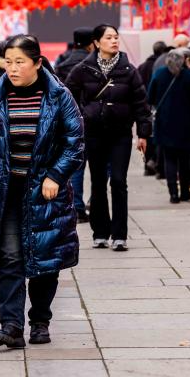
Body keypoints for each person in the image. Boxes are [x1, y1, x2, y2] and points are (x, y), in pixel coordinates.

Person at [0, 34, 82, 349]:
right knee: (9, 257)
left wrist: (56, 175)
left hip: (45, 192)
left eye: (19, 61)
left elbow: (74, 143)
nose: (12, 68)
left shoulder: (58, 96)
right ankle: (11, 325)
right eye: (8, 62)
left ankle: (40, 320)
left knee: (45, 260)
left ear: (37, 62)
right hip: (6, 191)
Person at [65, 25, 150, 251]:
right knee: (98, 182)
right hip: (94, 133)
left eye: (116, 37)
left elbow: (141, 104)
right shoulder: (84, 69)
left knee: (119, 181)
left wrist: (143, 133)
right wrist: (80, 118)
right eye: (109, 38)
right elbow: (66, 98)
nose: (114, 41)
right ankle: (100, 232)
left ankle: (119, 234)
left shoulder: (129, 71)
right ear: (97, 42)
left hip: (120, 133)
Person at [148, 48, 190, 204]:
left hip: (164, 123)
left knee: (169, 159)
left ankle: (173, 194)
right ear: (184, 60)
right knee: (184, 159)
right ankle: (185, 191)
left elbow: (150, 97)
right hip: (185, 124)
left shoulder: (159, 74)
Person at [54, 26, 95, 222]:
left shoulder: (62, 65)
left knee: (76, 166)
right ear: (91, 43)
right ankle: (95, 202)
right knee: (100, 166)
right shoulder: (94, 65)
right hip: (94, 121)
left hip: (69, 123)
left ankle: (77, 206)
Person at [138, 42, 171, 177]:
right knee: (156, 136)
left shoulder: (142, 66)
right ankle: (157, 164)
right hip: (157, 104)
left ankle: (147, 166)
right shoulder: (163, 67)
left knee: (147, 135)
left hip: (144, 104)